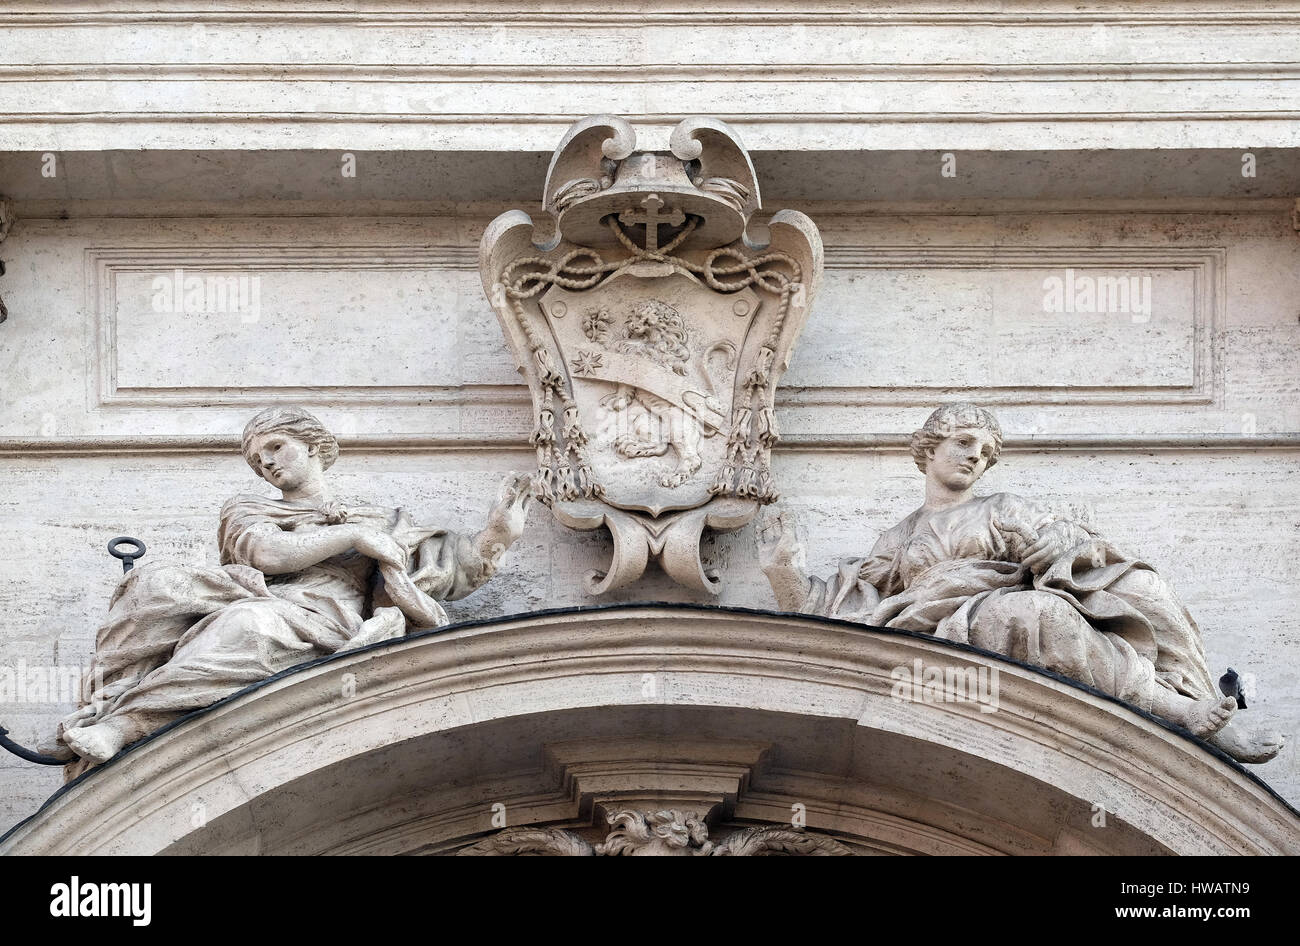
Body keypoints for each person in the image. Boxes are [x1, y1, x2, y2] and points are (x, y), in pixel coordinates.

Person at [757, 402, 1283, 764]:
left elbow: (1071, 542)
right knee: (1028, 616)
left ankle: (1183, 710)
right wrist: (784, 571)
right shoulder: (898, 536)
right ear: (929, 449)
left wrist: (1058, 549)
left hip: (991, 606)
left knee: (1043, 613)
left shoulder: (1001, 508)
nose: (973, 458)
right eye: (963, 443)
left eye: (984, 453)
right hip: (931, 626)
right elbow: (851, 609)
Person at [55, 407, 533, 768]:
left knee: (253, 626)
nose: (267, 464)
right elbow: (266, 554)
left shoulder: (385, 521)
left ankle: (124, 725)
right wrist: (351, 537)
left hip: (340, 621)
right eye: (259, 461)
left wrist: (498, 534)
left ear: (314, 447)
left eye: (276, 447)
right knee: (245, 620)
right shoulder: (249, 509)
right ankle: (124, 722)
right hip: (275, 603)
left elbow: (451, 571)